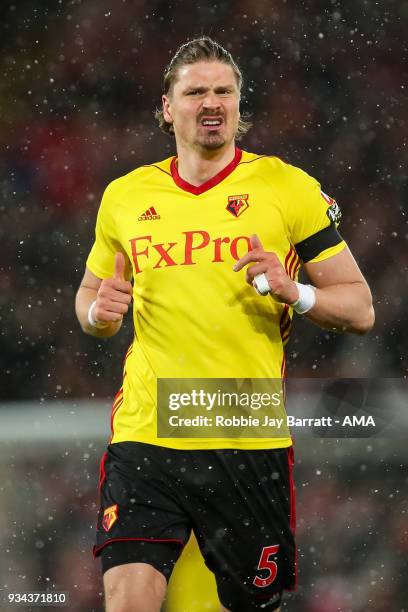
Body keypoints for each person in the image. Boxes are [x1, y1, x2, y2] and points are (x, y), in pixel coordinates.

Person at [75, 37, 374, 612]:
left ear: (239, 104)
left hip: (246, 431)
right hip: (148, 431)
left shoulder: (287, 187)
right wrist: (96, 314)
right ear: (167, 107)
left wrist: (297, 292)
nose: (210, 102)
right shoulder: (125, 196)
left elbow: (360, 308)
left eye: (223, 91)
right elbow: (92, 298)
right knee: (127, 597)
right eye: (195, 92)